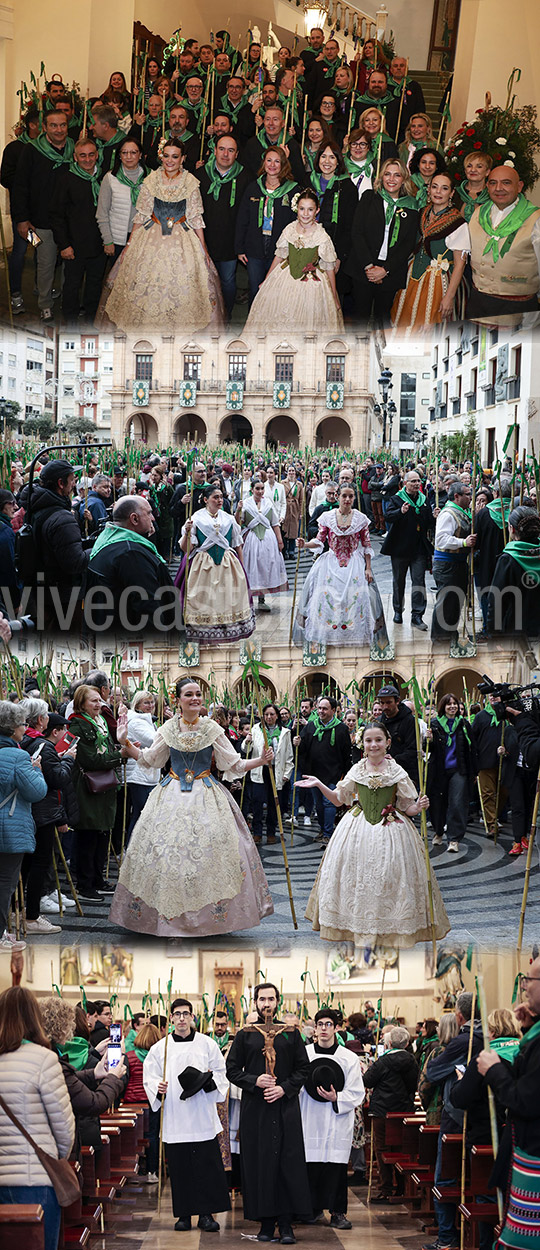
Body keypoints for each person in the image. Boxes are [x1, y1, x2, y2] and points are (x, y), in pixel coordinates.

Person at [109, 678, 274, 937]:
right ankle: (169, 919)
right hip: (171, 794)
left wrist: (260, 761)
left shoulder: (212, 728)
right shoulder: (167, 728)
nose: (195, 698)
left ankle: (209, 920)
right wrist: (125, 743)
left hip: (206, 794)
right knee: (168, 856)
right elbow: (150, 759)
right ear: (178, 700)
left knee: (210, 855)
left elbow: (233, 764)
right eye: (189, 694)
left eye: (198, 694)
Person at [301, 720, 449, 945]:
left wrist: (417, 806)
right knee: (356, 877)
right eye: (369, 740)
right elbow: (339, 799)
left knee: (389, 878)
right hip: (356, 829)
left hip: (391, 830)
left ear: (387, 743)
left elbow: (405, 807)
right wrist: (320, 784)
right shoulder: (357, 769)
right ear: (362, 744)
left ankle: (387, 929)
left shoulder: (396, 771)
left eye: (378, 740)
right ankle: (358, 926)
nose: (373, 745)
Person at [104, 137, 224, 331]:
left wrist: (204, 250)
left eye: (175, 157)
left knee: (180, 283)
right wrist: (129, 245)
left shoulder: (191, 182)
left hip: (181, 237)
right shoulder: (151, 180)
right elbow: (141, 214)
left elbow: (196, 217)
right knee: (148, 283)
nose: (170, 161)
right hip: (151, 235)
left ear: (183, 158)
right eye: (166, 156)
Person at [226, 982, 312, 1245]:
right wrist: (255, 1081)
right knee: (259, 1165)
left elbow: (303, 1069)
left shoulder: (291, 1034)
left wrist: (284, 1089)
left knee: (287, 1165)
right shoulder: (245, 1035)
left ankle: (286, 1225)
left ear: (278, 1001)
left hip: (285, 1108)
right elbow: (231, 1070)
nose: (266, 1004)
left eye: (271, 999)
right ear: (254, 1002)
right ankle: (264, 1223)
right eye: (262, 999)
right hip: (256, 1109)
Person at [143, 997, 230, 1232]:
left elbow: (222, 1073)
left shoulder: (207, 1044)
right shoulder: (160, 1048)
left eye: (186, 1014)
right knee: (180, 1170)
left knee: (205, 1168)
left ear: (192, 1017)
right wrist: (156, 1088)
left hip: (202, 1115)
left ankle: (206, 1215)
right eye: (177, 1014)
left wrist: (209, 1082)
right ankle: (183, 1214)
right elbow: (149, 1077)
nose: (182, 1018)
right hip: (176, 1117)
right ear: (171, 1018)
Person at [0, 986, 75, 1250]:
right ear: (34, 1017)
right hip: (35, 1178)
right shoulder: (44, 1059)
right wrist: (57, 1157)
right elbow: (64, 1128)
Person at [477, 957, 540, 1250]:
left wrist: (493, 1070)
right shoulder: (533, 1037)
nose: (524, 987)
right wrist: (529, 1027)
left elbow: (524, 1100)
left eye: (530, 980)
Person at [299, 1007, 365, 1229]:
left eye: (329, 1025)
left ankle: (338, 1212)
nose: (324, 1029)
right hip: (309, 1118)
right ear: (315, 1028)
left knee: (335, 1167)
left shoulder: (348, 1058)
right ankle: (312, 1210)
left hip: (336, 1120)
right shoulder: (304, 1055)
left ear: (337, 1028)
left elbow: (357, 1092)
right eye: (320, 1025)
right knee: (310, 1166)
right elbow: (294, 1085)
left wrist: (338, 1097)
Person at [244, 187, 344, 331]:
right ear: (296, 209)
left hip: (311, 282)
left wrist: (334, 295)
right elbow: (279, 255)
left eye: (310, 209)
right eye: (302, 209)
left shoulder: (321, 236)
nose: (305, 214)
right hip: (285, 277)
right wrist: (266, 280)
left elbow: (329, 267)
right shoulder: (289, 229)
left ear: (317, 210)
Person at [19, 696, 78, 933]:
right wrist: (68, 761)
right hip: (42, 812)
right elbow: (57, 779)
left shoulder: (20, 741)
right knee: (38, 864)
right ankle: (31, 916)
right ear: (41, 720)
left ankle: (18, 912)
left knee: (24, 865)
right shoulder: (43, 745)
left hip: (26, 811)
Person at [293, 484, 376, 646]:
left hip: (354, 563)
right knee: (326, 598)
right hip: (330, 563)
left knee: (355, 598)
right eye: (344, 496)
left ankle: (351, 634)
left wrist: (368, 568)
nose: (347, 499)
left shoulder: (360, 518)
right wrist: (304, 544)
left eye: (350, 496)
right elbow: (319, 541)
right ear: (338, 496)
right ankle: (328, 633)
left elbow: (367, 545)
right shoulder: (327, 517)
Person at [68, 684, 128, 901]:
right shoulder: (77, 725)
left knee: (103, 833)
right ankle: (85, 884)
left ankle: (97, 879)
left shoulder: (101, 720)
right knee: (88, 836)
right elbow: (89, 759)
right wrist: (119, 755)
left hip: (106, 786)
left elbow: (109, 748)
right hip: (88, 787)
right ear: (81, 703)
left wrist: (123, 749)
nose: (99, 704)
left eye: (99, 700)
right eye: (93, 701)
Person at [11, 109, 73, 321]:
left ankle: (67, 298)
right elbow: (20, 187)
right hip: (39, 221)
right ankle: (45, 303)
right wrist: (22, 219)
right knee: (45, 262)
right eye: (53, 125)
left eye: (62, 125)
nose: (59, 130)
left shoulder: (75, 148)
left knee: (69, 263)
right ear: (44, 127)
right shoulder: (31, 150)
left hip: (69, 221)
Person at [176, 484, 255, 644]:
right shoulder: (195, 518)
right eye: (215, 497)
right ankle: (202, 630)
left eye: (221, 497)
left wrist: (242, 566)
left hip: (227, 563)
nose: (220, 500)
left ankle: (225, 629)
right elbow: (186, 548)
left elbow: (237, 544)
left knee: (225, 598)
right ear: (206, 500)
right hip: (202, 564)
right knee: (204, 598)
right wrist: (187, 532)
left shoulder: (229, 518)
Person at [86, 495, 177, 632]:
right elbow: (147, 607)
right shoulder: (131, 555)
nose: (153, 518)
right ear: (134, 519)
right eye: (149, 513)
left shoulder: (109, 541)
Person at [346, 158, 418, 325]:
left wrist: (385, 269)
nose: (391, 179)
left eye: (397, 175)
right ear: (381, 176)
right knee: (360, 319)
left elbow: (408, 244)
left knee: (383, 319)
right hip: (363, 267)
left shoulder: (411, 206)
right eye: (387, 174)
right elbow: (357, 233)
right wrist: (369, 267)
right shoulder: (369, 197)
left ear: (404, 179)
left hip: (390, 270)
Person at [392, 171, 468, 329]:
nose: (438, 192)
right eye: (434, 187)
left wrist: (449, 297)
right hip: (412, 275)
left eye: (444, 188)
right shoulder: (422, 214)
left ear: (452, 193)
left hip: (438, 282)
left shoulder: (458, 223)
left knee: (427, 327)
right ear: (429, 190)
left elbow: (460, 265)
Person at [467, 163, 540, 324]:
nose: (498, 188)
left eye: (506, 183)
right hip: (477, 303)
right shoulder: (478, 213)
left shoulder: (535, 218)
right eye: (493, 183)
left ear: (519, 186)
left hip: (518, 308)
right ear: (487, 186)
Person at [0, 701, 47, 949]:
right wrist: (36, 770)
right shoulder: (17, 756)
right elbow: (37, 791)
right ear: (11, 728)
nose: (24, 728)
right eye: (22, 724)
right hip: (8, 827)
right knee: (5, 882)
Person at [28, 457, 90, 628]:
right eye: (72, 481)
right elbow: (75, 562)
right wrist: (99, 547)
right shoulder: (62, 518)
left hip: (43, 592)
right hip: (64, 598)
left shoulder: (36, 509)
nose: (74, 486)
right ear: (61, 483)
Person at [196, 134, 251, 317]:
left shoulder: (246, 177)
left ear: (237, 154)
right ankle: (208, 317)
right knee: (205, 281)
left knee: (227, 281)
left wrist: (241, 243)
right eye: (221, 149)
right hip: (204, 239)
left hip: (230, 241)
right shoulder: (201, 175)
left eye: (230, 150)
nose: (225, 154)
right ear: (214, 151)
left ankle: (226, 315)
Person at [235, 147, 298, 306]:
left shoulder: (292, 191)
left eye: (277, 161)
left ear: (283, 165)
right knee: (255, 289)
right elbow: (243, 219)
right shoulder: (253, 187)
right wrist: (240, 248)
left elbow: (295, 223)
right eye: (269, 160)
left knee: (276, 291)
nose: (272, 165)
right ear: (263, 163)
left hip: (279, 250)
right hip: (254, 247)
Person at [363, 1026, 419, 1202]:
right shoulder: (412, 1060)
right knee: (401, 1148)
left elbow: (367, 1081)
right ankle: (402, 1187)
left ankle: (386, 1188)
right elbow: (413, 1086)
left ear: (388, 1043)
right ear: (407, 1043)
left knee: (381, 1148)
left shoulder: (383, 1062)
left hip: (382, 1110)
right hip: (403, 1109)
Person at [381, 469, 436, 629]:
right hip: (400, 547)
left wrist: (433, 516)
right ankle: (398, 610)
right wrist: (401, 511)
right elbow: (388, 517)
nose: (417, 484)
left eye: (418, 481)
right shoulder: (396, 499)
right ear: (405, 483)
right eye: (413, 481)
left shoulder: (424, 500)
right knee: (399, 581)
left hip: (418, 548)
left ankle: (417, 615)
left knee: (419, 581)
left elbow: (427, 524)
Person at [295, 696, 352, 841]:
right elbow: (303, 748)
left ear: (333, 710)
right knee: (318, 804)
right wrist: (297, 742)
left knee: (329, 803)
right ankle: (322, 829)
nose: (321, 711)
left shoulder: (341, 728)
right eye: (320, 708)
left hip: (333, 772)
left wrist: (346, 774)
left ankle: (328, 834)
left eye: (325, 709)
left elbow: (346, 753)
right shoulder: (311, 726)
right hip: (314, 772)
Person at [426, 693, 477, 853]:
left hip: (459, 770)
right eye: (449, 704)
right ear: (443, 706)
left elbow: (472, 748)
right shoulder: (434, 724)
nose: (452, 707)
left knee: (456, 803)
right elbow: (428, 749)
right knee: (437, 803)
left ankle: (454, 839)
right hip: (439, 771)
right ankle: (439, 831)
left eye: (455, 703)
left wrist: (474, 772)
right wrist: (427, 740)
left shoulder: (463, 724)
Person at [431, 481, 476, 646]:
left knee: (455, 603)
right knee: (446, 603)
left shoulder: (461, 512)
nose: (470, 497)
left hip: (458, 564)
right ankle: (439, 640)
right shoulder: (448, 513)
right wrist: (464, 542)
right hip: (447, 565)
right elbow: (441, 539)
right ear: (456, 496)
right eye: (467, 494)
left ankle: (450, 636)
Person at [486, 506, 540, 635]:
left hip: (516, 629)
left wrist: (493, 633)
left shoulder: (508, 560)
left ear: (512, 529)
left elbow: (497, 600)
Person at [246, 704, 294, 845]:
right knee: (258, 803)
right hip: (260, 770)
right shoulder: (256, 730)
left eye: (272, 714)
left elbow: (289, 755)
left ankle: (272, 832)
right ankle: (258, 832)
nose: (269, 717)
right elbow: (248, 749)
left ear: (277, 715)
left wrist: (287, 774)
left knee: (274, 803)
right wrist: (247, 742)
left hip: (276, 771)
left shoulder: (285, 732)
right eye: (266, 714)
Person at [236, 480, 288, 612]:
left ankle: (262, 600)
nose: (260, 491)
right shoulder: (245, 503)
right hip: (251, 539)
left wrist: (279, 540)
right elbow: (237, 523)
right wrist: (238, 510)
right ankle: (249, 600)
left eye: (262, 488)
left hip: (268, 538)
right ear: (252, 489)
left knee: (265, 567)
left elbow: (275, 523)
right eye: (257, 488)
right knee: (252, 566)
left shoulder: (268, 503)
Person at [470, 697, 518, 839]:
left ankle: (494, 816)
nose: (493, 698)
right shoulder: (480, 717)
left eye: (496, 696)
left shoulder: (506, 716)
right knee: (488, 794)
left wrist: (507, 750)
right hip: (485, 763)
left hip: (505, 762)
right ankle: (491, 824)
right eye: (491, 696)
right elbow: (473, 739)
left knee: (503, 793)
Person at [96, 135, 145, 261]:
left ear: (140, 155)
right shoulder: (110, 178)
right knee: (117, 279)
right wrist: (107, 241)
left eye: (133, 152)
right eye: (124, 152)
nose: (129, 157)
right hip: (117, 239)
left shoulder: (149, 178)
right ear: (119, 155)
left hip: (142, 238)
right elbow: (102, 213)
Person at [125, 691, 160, 839]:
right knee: (141, 814)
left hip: (148, 774)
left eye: (152, 702)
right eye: (146, 703)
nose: (150, 706)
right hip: (139, 774)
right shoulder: (136, 722)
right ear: (138, 704)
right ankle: (131, 847)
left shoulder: (148, 720)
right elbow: (154, 740)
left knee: (144, 815)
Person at [454, 150, 492, 222]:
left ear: (487, 172)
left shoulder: (492, 196)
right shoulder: (454, 193)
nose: (473, 170)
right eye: (469, 166)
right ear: (465, 171)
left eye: (479, 166)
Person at [282, 466, 304, 560]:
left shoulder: (299, 484)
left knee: (294, 530)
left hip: (295, 508)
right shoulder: (282, 483)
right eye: (289, 471)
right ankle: (285, 551)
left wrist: (300, 512)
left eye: (293, 471)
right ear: (287, 472)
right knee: (285, 529)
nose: (291, 472)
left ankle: (292, 551)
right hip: (286, 507)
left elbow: (301, 499)